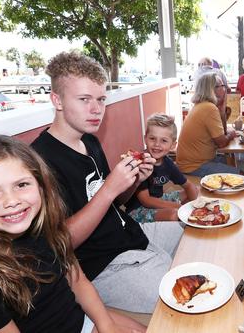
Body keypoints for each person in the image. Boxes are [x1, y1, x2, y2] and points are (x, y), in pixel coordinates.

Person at [0, 135, 145, 332]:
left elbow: (77, 280)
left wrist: (106, 325)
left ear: (40, 185)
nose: (12, 201)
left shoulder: (44, 229)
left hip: (81, 321)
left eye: (22, 184)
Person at [31, 52, 183, 314]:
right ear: (56, 100)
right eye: (84, 99)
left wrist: (135, 182)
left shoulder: (89, 140)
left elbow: (116, 202)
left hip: (131, 235)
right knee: (182, 296)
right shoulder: (39, 161)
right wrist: (110, 187)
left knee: (195, 233)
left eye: (101, 99)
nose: (96, 109)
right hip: (104, 264)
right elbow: (60, 243)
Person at [126, 113, 199, 223]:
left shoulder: (168, 163)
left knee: (196, 189)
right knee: (174, 214)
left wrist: (197, 208)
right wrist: (179, 207)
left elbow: (188, 185)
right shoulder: (142, 163)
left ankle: (192, 217)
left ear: (173, 145)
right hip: (138, 210)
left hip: (158, 200)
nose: (157, 144)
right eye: (152, 138)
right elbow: (145, 200)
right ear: (145, 139)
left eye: (164, 140)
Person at [177, 72, 238, 176]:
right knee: (241, 175)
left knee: (231, 162)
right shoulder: (209, 108)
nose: (225, 89)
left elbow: (221, 133)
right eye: (222, 86)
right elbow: (222, 143)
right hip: (194, 166)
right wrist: (231, 135)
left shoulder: (202, 105)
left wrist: (222, 109)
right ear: (211, 89)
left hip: (193, 162)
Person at [194, 57, 230, 131]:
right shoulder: (219, 72)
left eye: (200, 64)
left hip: (201, 100)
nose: (200, 66)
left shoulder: (197, 73)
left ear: (202, 64)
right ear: (211, 64)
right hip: (214, 103)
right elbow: (227, 88)